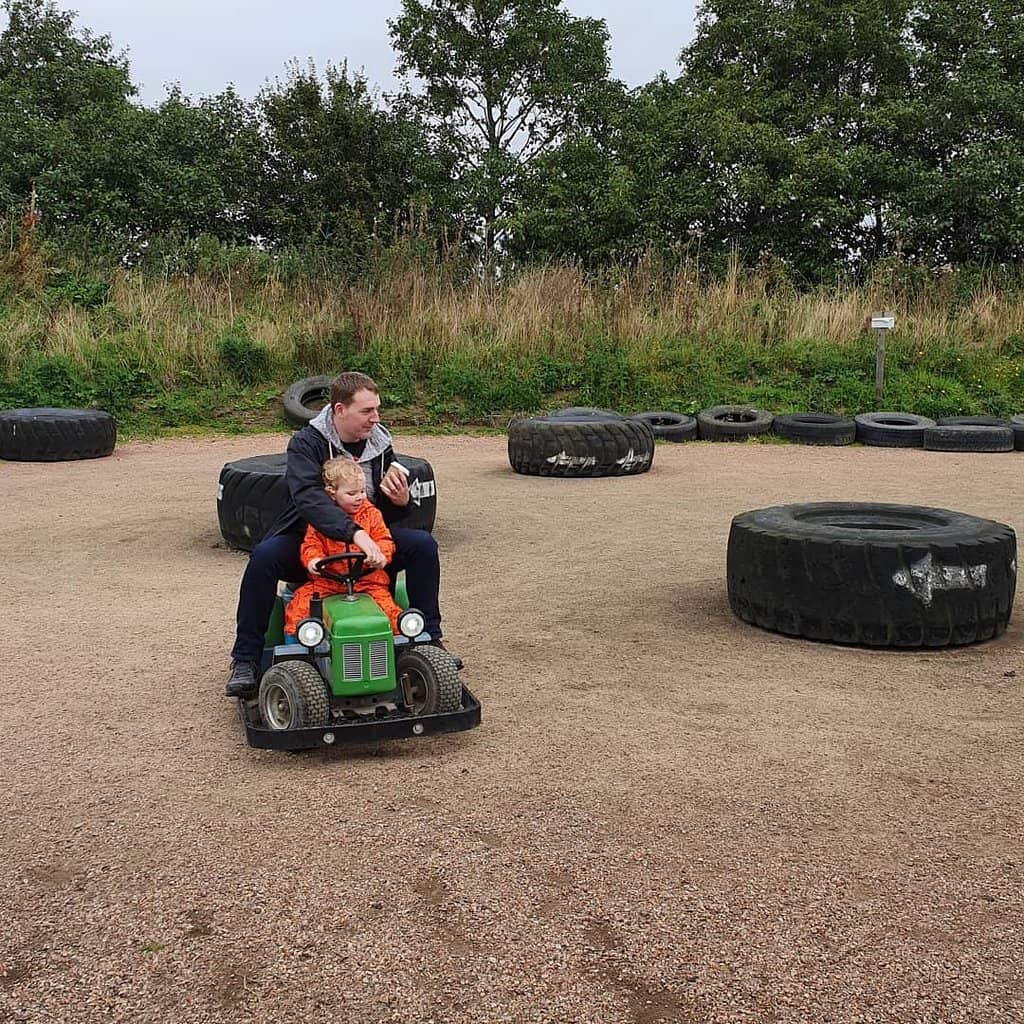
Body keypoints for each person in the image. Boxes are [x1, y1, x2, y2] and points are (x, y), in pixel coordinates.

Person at [225, 370, 450, 697]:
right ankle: (245, 658)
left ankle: (429, 637)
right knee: (263, 557)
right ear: (339, 410)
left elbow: (385, 506)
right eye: (367, 411)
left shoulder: (380, 442)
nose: (376, 418)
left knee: (423, 546)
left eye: (377, 410)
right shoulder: (306, 443)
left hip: (367, 543)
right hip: (311, 540)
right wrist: (356, 534)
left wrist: (402, 502)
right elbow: (309, 500)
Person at [284, 457, 402, 636]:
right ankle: (295, 651)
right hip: (328, 583)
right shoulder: (322, 520)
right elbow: (311, 544)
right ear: (332, 494)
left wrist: (381, 555)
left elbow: (384, 539)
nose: (360, 497)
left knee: (392, 613)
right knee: (299, 607)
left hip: (368, 582)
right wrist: (313, 560)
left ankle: (398, 650)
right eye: (352, 493)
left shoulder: (372, 515)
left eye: (362, 491)